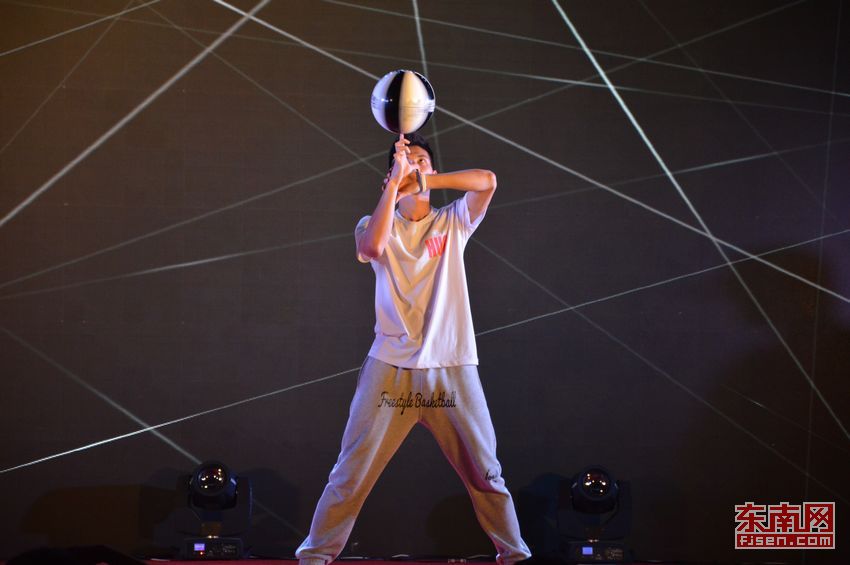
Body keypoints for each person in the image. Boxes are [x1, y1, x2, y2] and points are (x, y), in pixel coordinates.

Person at [295, 133, 530, 565]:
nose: (415, 164)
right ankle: (315, 555)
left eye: (422, 159)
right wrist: (395, 184)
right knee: (350, 472)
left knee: (487, 472)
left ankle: (514, 555)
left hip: (451, 368)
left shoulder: (453, 221)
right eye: (405, 160)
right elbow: (371, 248)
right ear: (389, 175)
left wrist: (424, 178)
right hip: (390, 370)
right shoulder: (373, 224)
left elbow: (487, 180)